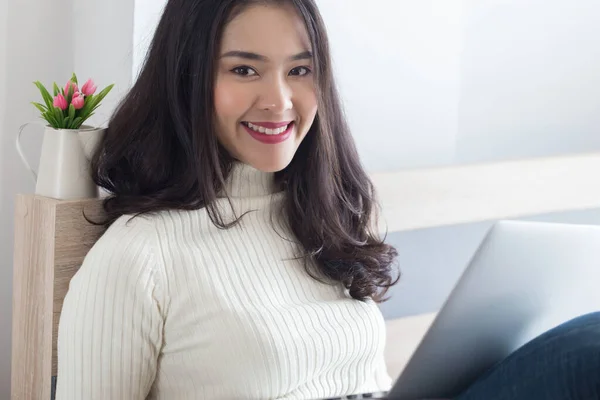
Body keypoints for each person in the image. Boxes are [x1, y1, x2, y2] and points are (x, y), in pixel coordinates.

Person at [56, 0, 600, 399]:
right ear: (187, 80)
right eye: (244, 69)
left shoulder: (319, 219)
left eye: (300, 70)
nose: (280, 100)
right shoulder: (140, 255)